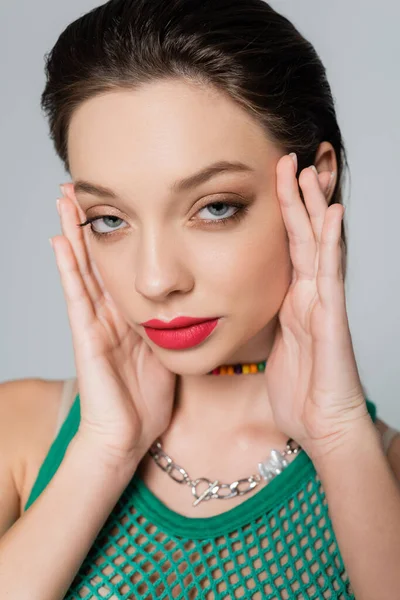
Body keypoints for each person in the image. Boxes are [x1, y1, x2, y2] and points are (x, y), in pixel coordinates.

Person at [0, 0, 399, 598]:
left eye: (215, 208)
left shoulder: (383, 477)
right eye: (109, 219)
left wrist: (339, 438)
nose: (156, 280)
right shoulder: (21, 434)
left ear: (315, 180)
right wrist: (105, 450)